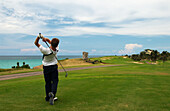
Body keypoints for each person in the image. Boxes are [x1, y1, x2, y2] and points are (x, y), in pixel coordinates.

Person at [34, 35, 59, 105]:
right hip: (54, 67)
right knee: (55, 81)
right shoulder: (56, 49)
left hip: (46, 68)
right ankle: (53, 94)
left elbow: (36, 43)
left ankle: (48, 97)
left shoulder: (45, 50)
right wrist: (46, 39)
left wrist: (39, 37)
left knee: (47, 83)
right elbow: (52, 43)